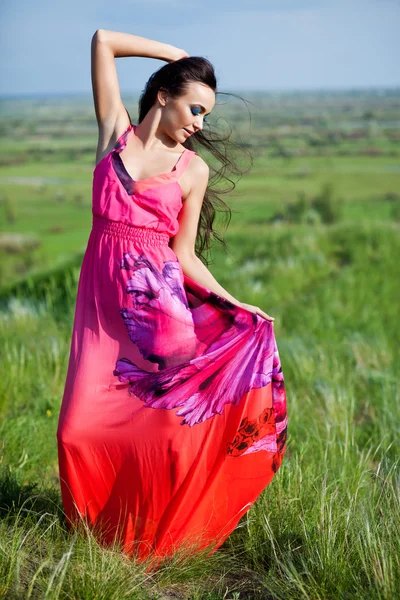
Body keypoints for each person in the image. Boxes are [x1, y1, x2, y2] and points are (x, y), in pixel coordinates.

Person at [56, 29, 288, 567]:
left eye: (206, 116)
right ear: (164, 94)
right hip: (102, 309)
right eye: (194, 108)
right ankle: (93, 535)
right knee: (76, 429)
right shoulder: (114, 132)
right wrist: (173, 56)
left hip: (160, 310)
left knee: (171, 432)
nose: (199, 125)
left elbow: (183, 254)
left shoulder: (193, 170)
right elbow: (102, 41)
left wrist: (236, 303)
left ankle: (163, 539)